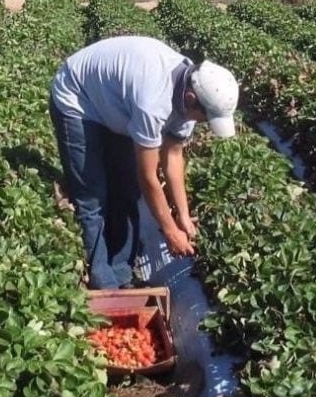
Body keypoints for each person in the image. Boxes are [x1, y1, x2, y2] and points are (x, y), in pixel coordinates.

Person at [49, 36, 239, 290]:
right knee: (93, 195)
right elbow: (148, 176)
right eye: (205, 118)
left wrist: (182, 216)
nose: (203, 124)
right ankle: (102, 280)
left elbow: (172, 156)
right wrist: (170, 231)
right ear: (192, 99)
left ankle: (121, 272)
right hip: (78, 97)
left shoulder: (190, 91)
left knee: (127, 190)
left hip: (116, 103)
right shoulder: (153, 101)